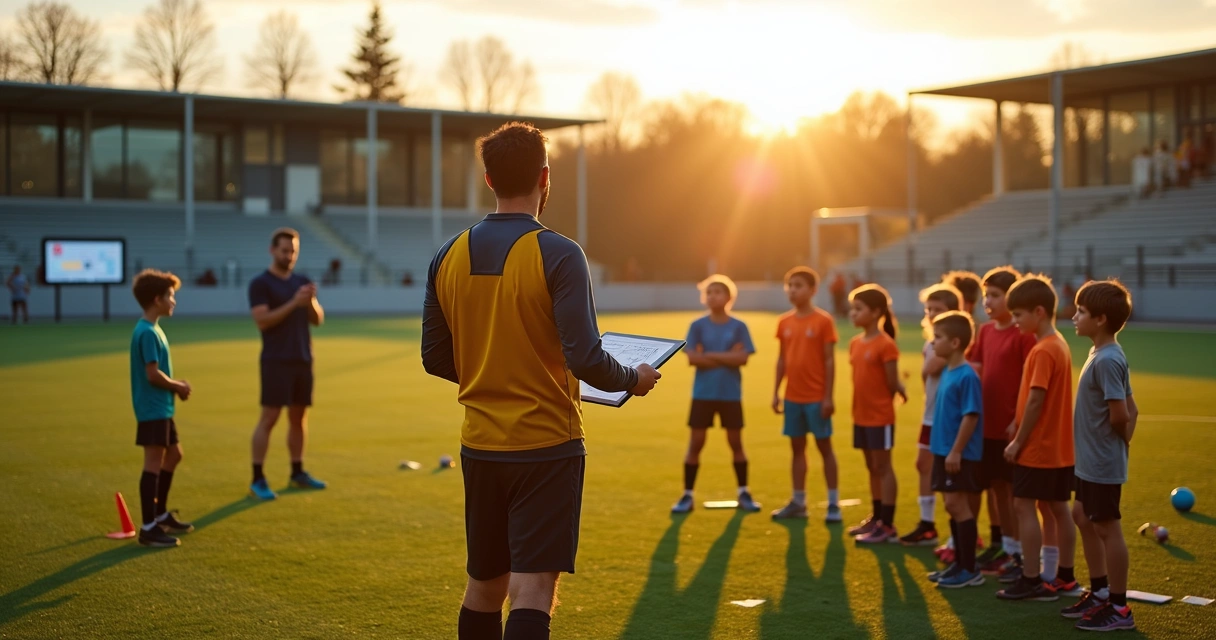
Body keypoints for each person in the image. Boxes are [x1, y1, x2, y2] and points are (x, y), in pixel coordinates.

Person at [421, 122, 660, 640]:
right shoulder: (559, 252)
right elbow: (587, 359)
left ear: (487, 178)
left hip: (479, 445)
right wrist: (634, 379)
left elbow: (435, 357)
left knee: (484, 584)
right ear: (545, 177)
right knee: (533, 588)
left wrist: (495, 369)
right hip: (546, 446)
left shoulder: (447, 253)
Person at [1062, 280, 1138, 631]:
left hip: (1101, 461)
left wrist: (1120, 445)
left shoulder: (1108, 359)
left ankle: (1119, 608)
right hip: (1090, 460)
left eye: (1081, 312)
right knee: (1081, 515)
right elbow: (1132, 406)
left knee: (1107, 528)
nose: (1074, 316)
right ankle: (1101, 590)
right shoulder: (1102, 353)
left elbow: (1122, 414)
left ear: (1101, 319)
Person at [997, 275, 1077, 602]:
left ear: (1039, 312)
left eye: (1018, 315)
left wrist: (1018, 439)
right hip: (1058, 447)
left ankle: (1031, 577)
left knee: (1024, 505)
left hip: (1039, 447)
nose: (1014, 321)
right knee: (1057, 508)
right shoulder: (1059, 344)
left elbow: (1036, 398)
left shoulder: (1043, 350)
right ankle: (1062, 575)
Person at [969, 266, 1038, 583]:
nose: (988, 301)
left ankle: (1024, 553)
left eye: (995, 295)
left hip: (1011, 428)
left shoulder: (1023, 335)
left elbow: (1030, 381)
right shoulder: (983, 332)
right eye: (986, 295)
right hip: (987, 426)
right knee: (997, 488)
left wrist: (1017, 420)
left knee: (1014, 493)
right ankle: (1008, 548)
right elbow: (976, 369)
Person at [248, 228, 327, 501]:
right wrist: (294, 302)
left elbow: (317, 320)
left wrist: (311, 301)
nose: (289, 256)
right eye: (284, 250)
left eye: (293, 251)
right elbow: (262, 321)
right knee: (269, 417)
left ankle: (297, 472)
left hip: (302, 358)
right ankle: (257, 478)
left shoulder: (302, 280)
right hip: (275, 360)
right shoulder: (261, 284)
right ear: (273, 250)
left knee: (298, 417)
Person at [672, 274, 759, 514]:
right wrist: (726, 357)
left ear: (729, 297)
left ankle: (743, 492)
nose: (712, 296)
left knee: (736, 443)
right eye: (708, 292)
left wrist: (708, 355)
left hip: (730, 394)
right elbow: (692, 358)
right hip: (703, 393)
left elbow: (742, 358)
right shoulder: (697, 325)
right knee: (696, 443)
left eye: (717, 292)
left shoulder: (739, 326)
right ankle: (687, 495)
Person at [770, 267, 840, 522]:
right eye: (789, 285)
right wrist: (776, 392)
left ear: (813, 290)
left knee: (825, 448)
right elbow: (781, 359)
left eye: (798, 285)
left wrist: (828, 397)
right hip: (792, 397)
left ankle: (833, 503)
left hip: (816, 398)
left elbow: (830, 361)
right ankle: (798, 501)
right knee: (797, 449)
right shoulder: (784, 322)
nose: (792, 290)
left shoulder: (823, 321)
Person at [129, 269, 193, 548]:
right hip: (152, 408)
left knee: (175, 454)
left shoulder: (152, 329)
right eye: (170, 296)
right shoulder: (147, 332)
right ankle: (148, 528)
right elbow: (152, 374)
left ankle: (160, 513)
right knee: (153, 463)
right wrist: (177, 386)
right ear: (157, 299)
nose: (174, 301)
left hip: (161, 407)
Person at [924, 311, 986, 589]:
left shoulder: (966, 376)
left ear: (955, 343)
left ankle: (969, 569)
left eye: (937, 337)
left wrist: (956, 451)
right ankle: (959, 564)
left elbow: (971, 416)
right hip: (943, 451)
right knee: (951, 506)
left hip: (956, 455)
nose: (932, 342)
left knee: (956, 505)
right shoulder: (949, 371)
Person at [900, 283, 961, 546]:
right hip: (930, 415)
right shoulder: (930, 343)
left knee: (950, 476)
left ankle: (957, 534)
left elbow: (933, 368)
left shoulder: (950, 345)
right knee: (922, 465)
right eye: (929, 308)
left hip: (947, 419)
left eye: (939, 309)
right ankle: (927, 525)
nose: (932, 313)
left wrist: (928, 370)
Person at [846, 284, 906, 544]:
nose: (853, 314)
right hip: (860, 415)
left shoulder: (885, 344)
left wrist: (896, 394)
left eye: (859, 309)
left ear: (875, 312)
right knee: (871, 466)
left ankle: (888, 524)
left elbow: (891, 383)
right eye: (853, 309)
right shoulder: (855, 343)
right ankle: (877, 517)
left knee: (883, 466)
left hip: (880, 417)